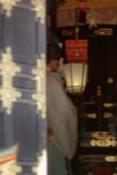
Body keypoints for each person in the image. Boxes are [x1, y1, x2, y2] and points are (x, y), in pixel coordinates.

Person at [46, 43, 78, 175]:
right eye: (57, 60)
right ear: (51, 60)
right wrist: (73, 110)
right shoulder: (50, 80)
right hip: (53, 135)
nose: (59, 64)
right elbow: (63, 111)